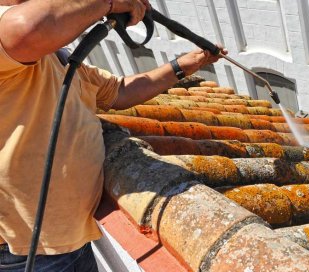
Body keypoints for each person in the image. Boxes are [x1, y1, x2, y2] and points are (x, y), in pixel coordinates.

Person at [0, 0, 226, 271]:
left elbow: (119, 92)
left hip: (59, 238)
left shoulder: (52, 56)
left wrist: (185, 65)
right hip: (31, 249)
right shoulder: (16, 32)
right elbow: (25, 28)